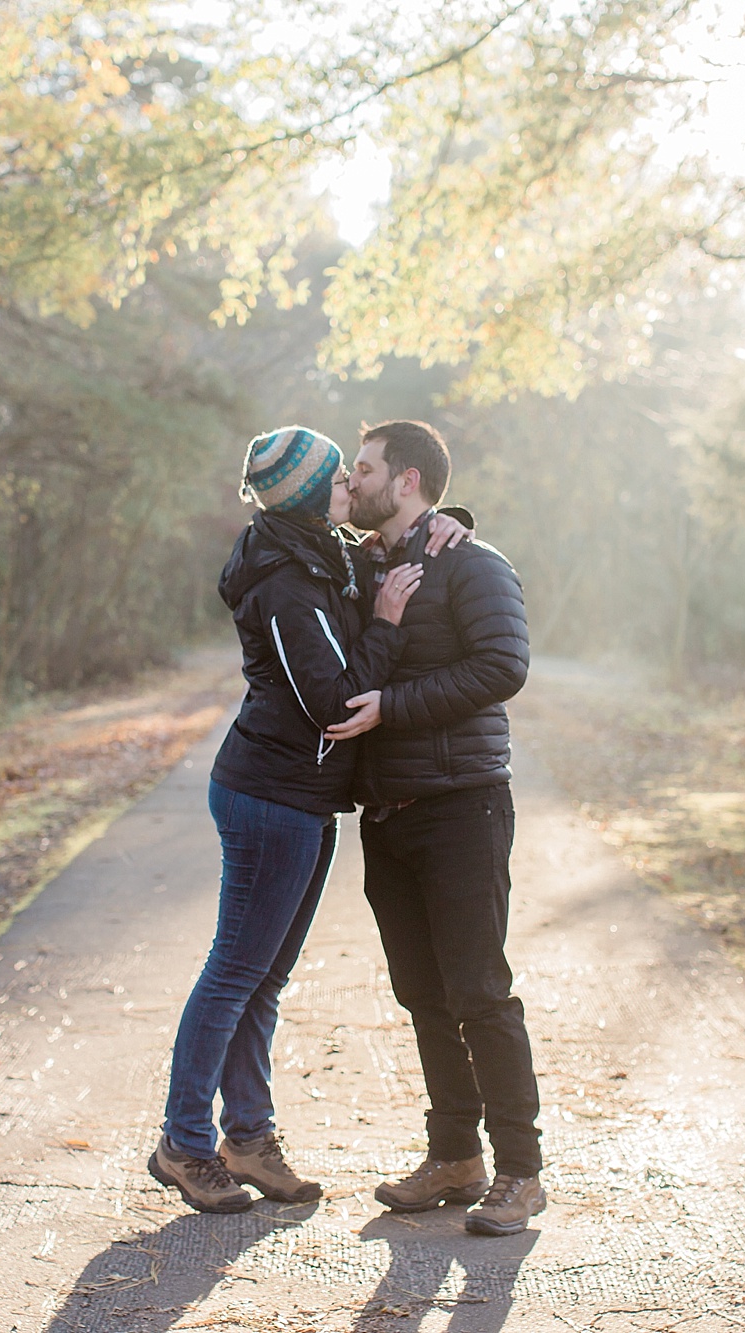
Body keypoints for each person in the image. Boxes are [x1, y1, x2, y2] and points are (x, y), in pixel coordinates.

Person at [149, 426, 463, 1215]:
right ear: (307, 491)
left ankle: (248, 1138)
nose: (349, 488)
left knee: (263, 978)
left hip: (304, 798)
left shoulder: (322, 550)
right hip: (269, 796)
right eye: (337, 478)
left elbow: (394, 543)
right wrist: (388, 626)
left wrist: (456, 518)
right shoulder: (287, 580)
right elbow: (332, 701)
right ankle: (184, 1142)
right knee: (234, 973)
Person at [322, 419, 543, 1237]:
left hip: (463, 804)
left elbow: (503, 667)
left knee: (480, 991)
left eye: (365, 467)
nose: (354, 479)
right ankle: (455, 1155)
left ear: (407, 480)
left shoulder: (475, 565)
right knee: (422, 992)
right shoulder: (366, 562)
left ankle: (521, 1170)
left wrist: (394, 706)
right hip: (390, 811)